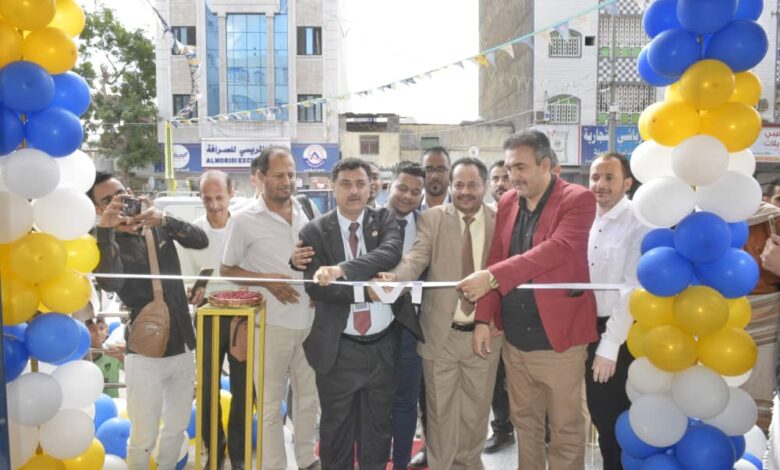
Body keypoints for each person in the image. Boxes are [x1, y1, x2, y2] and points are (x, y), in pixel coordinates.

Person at [458, 130, 597, 470]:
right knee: (526, 424)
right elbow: (496, 256)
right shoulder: (508, 202)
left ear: (545, 164)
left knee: (565, 428)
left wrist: (492, 277)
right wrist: (483, 319)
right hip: (515, 341)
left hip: (559, 341)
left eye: (520, 167)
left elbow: (557, 248)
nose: (512, 176)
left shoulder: (577, 199)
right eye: (509, 168)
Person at [298, 157, 423, 470]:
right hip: (338, 348)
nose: (353, 191)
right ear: (333, 187)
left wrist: (341, 270)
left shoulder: (385, 219)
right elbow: (316, 288)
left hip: (384, 346)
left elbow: (389, 253)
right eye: (345, 184)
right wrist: (364, 291)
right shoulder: (314, 230)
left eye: (360, 184)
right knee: (336, 432)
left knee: (378, 431)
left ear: (372, 188)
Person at [382, 157, 499, 469]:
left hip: (484, 334)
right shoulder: (432, 219)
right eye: (459, 185)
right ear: (451, 186)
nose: (465, 191)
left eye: (472, 185)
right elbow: (417, 257)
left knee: (476, 415)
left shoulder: (500, 221)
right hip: (440, 336)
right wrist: (395, 277)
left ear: (485, 186)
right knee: (440, 415)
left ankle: (469, 465)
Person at [89, 171, 208, 470]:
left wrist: (164, 218)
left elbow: (200, 240)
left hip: (182, 342)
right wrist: (106, 232)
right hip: (145, 351)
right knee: (143, 435)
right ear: (99, 208)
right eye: (108, 200)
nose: (120, 201)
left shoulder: (157, 225)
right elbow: (110, 283)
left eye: (121, 193)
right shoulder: (104, 239)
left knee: (176, 428)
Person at [220, 146, 321, 470]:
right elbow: (227, 269)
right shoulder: (243, 219)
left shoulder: (307, 210)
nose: (286, 181)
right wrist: (267, 281)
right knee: (268, 405)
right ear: (261, 177)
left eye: (291, 174)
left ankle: (307, 460)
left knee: (308, 400)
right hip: (270, 324)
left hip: (311, 322)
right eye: (279, 175)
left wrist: (318, 286)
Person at [176, 170, 251, 470]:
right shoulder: (192, 233)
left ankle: (239, 452)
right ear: (200, 198)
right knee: (207, 387)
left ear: (232, 194)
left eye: (219, 197)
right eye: (207, 199)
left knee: (244, 387)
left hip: (243, 315)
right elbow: (186, 280)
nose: (214, 205)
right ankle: (214, 451)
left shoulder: (245, 227)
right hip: (207, 315)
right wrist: (192, 292)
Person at [586, 153, 649, 469]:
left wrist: (610, 345)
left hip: (620, 334)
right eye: (595, 177)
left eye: (609, 177)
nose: (600, 184)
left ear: (627, 183)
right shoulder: (584, 218)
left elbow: (632, 290)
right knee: (599, 417)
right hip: (584, 329)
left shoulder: (638, 220)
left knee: (617, 421)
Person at [410, 145, 452, 468]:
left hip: (455, 315)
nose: (434, 175)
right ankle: (430, 445)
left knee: (456, 392)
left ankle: (459, 450)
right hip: (413, 317)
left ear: (449, 173)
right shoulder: (408, 212)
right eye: (429, 169)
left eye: (440, 168)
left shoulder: (465, 208)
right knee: (424, 389)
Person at [384, 162, 426, 470]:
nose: (408, 196)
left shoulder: (428, 224)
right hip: (370, 327)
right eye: (402, 188)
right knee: (373, 399)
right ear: (390, 186)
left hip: (413, 326)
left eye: (415, 192)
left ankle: (400, 463)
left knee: (406, 400)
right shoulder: (366, 220)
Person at [483, 159, 514, 454]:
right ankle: (502, 428)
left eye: (506, 177)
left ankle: (542, 428)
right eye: (496, 178)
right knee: (495, 376)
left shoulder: (524, 213)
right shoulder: (484, 217)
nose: (501, 183)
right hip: (490, 308)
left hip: (521, 310)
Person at [420, 146, 451, 211]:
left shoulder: (462, 209)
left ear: (450, 172)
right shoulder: (411, 209)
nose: (434, 176)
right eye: (428, 170)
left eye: (441, 170)